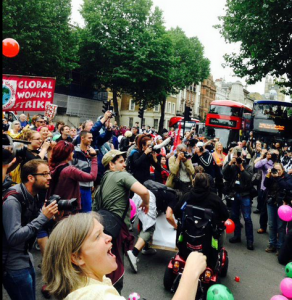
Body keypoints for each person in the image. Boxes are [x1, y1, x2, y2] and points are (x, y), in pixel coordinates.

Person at [42, 212, 207, 300]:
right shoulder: (95, 296)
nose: (109, 238)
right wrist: (191, 273)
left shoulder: (86, 286)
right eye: (98, 236)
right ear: (77, 258)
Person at [92, 150, 149, 292]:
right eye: (121, 162)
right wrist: (146, 203)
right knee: (115, 266)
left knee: (102, 265)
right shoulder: (121, 175)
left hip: (102, 227)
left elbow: (94, 207)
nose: (124, 165)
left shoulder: (103, 180)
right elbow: (144, 191)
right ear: (111, 165)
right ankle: (114, 293)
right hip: (116, 229)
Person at [2, 159, 59, 300]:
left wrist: (50, 218)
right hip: (13, 265)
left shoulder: (35, 195)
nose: (49, 177)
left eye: (49, 173)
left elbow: (33, 225)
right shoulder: (13, 201)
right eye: (45, 174)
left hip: (26, 258)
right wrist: (42, 218)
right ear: (31, 178)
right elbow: (13, 237)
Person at [223, 146, 254, 250]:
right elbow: (225, 175)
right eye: (238, 158)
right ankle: (237, 236)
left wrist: (241, 168)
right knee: (235, 216)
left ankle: (250, 240)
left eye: (241, 158)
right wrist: (230, 163)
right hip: (235, 193)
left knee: (247, 218)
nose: (240, 160)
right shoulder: (233, 166)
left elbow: (249, 179)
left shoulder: (248, 167)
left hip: (245, 195)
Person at [263, 163, 292, 255]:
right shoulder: (271, 175)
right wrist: (268, 175)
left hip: (282, 204)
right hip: (271, 202)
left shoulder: (287, 177)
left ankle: (280, 246)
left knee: (281, 227)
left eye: (279, 170)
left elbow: (287, 186)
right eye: (275, 169)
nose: (277, 171)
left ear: (283, 170)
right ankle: (272, 244)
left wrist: (278, 177)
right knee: (271, 225)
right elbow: (265, 184)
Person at [254, 149, 279, 234]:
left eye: (276, 155)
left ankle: (276, 229)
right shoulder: (265, 162)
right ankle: (262, 227)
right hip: (265, 188)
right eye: (273, 154)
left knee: (276, 209)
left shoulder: (279, 164)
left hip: (276, 189)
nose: (275, 156)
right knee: (264, 209)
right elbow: (256, 166)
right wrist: (265, 159)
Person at [72, 131, 96, 212]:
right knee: (77, 212)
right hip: (78, 186)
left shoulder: (91, 151)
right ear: (82, 138)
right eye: (89, 138)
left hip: (87, 187)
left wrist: (91, 183)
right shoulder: (75, 152)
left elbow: (92, 169)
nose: (91, 140)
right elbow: (71, 169)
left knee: (87, 212)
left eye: (92, 138)